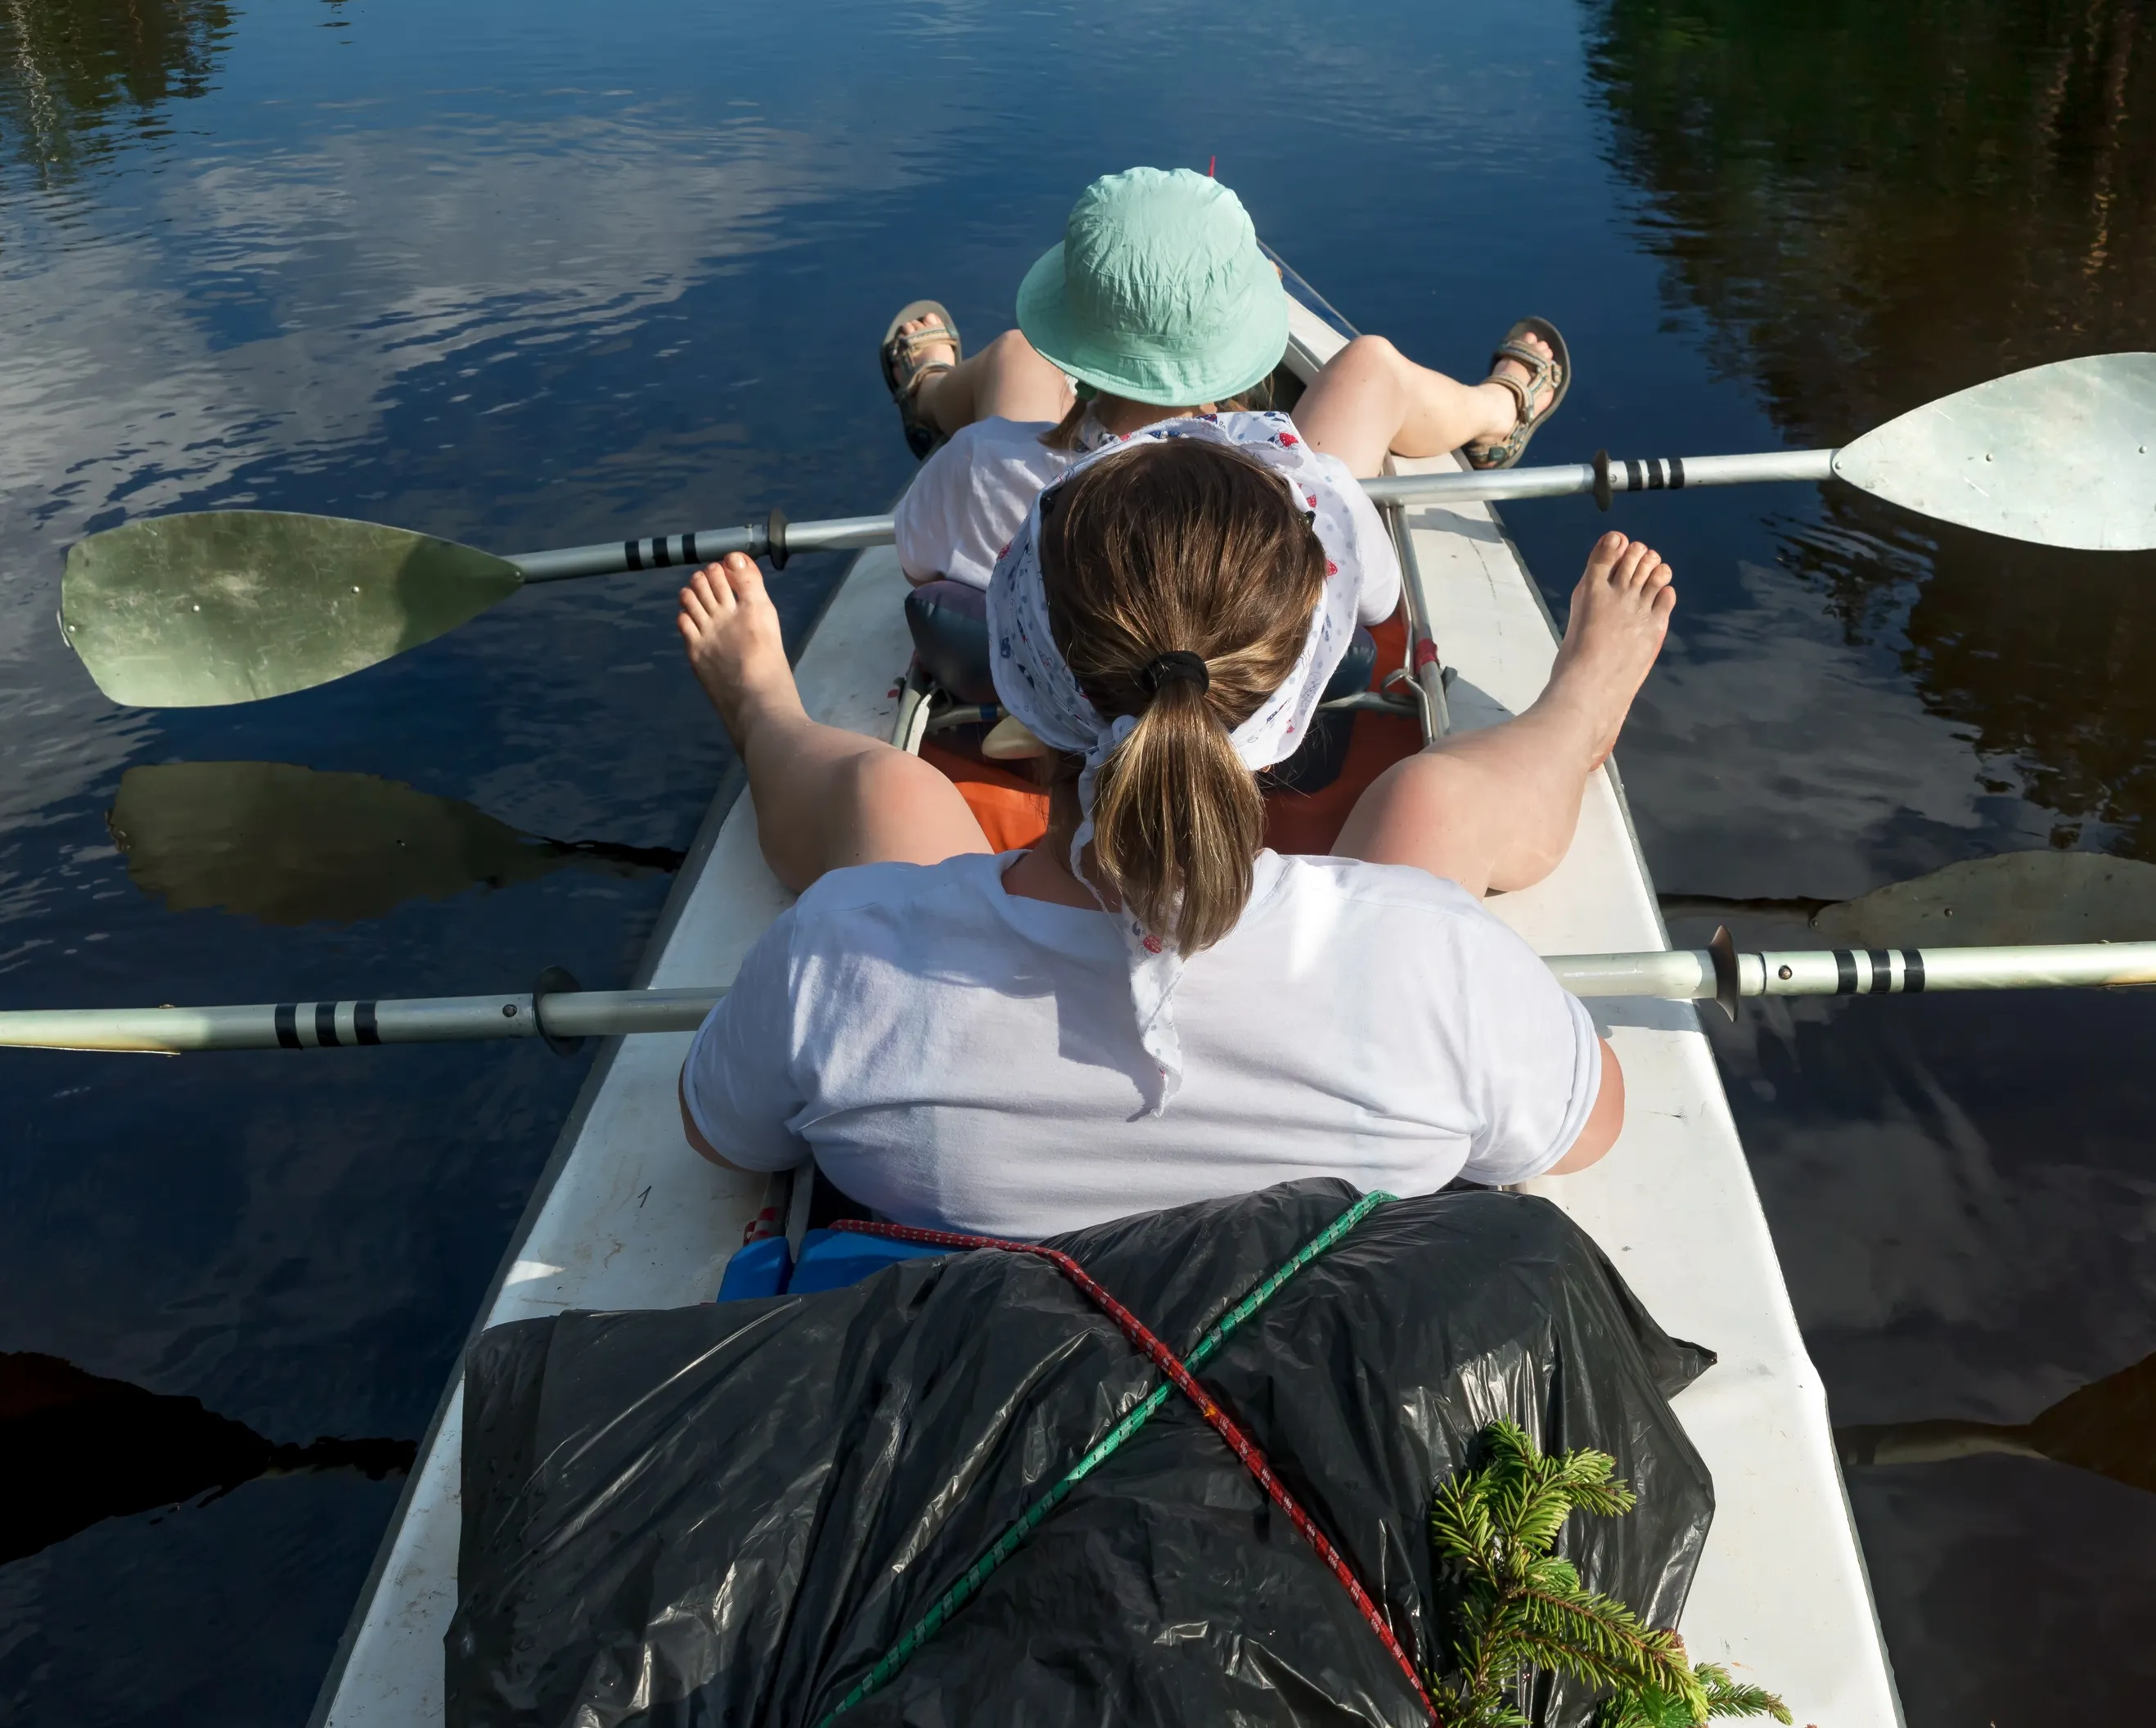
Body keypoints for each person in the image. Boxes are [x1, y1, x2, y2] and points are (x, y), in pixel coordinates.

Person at [668, 418, 1678, 1242]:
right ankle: (1573, 715)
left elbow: (720, 1135)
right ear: (1294, 697)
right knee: (1433, 809)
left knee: (885, 795)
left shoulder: (839, 959)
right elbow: (1588, 1128)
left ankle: (767, 716)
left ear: (1019, 675)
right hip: (1308, 1406)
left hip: (979, 1388)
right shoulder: (1439, 963)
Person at [878, 166, 1569, 596]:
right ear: (1244, 347)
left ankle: (931, 394)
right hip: (1242, 709)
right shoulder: (1306, 498)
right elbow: (1375, 600)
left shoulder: (980, 469)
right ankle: (1497, 412)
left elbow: (916, 563)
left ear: (1073, 324)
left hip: (1059, 705)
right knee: (1372, 367)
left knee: (1014, 356)